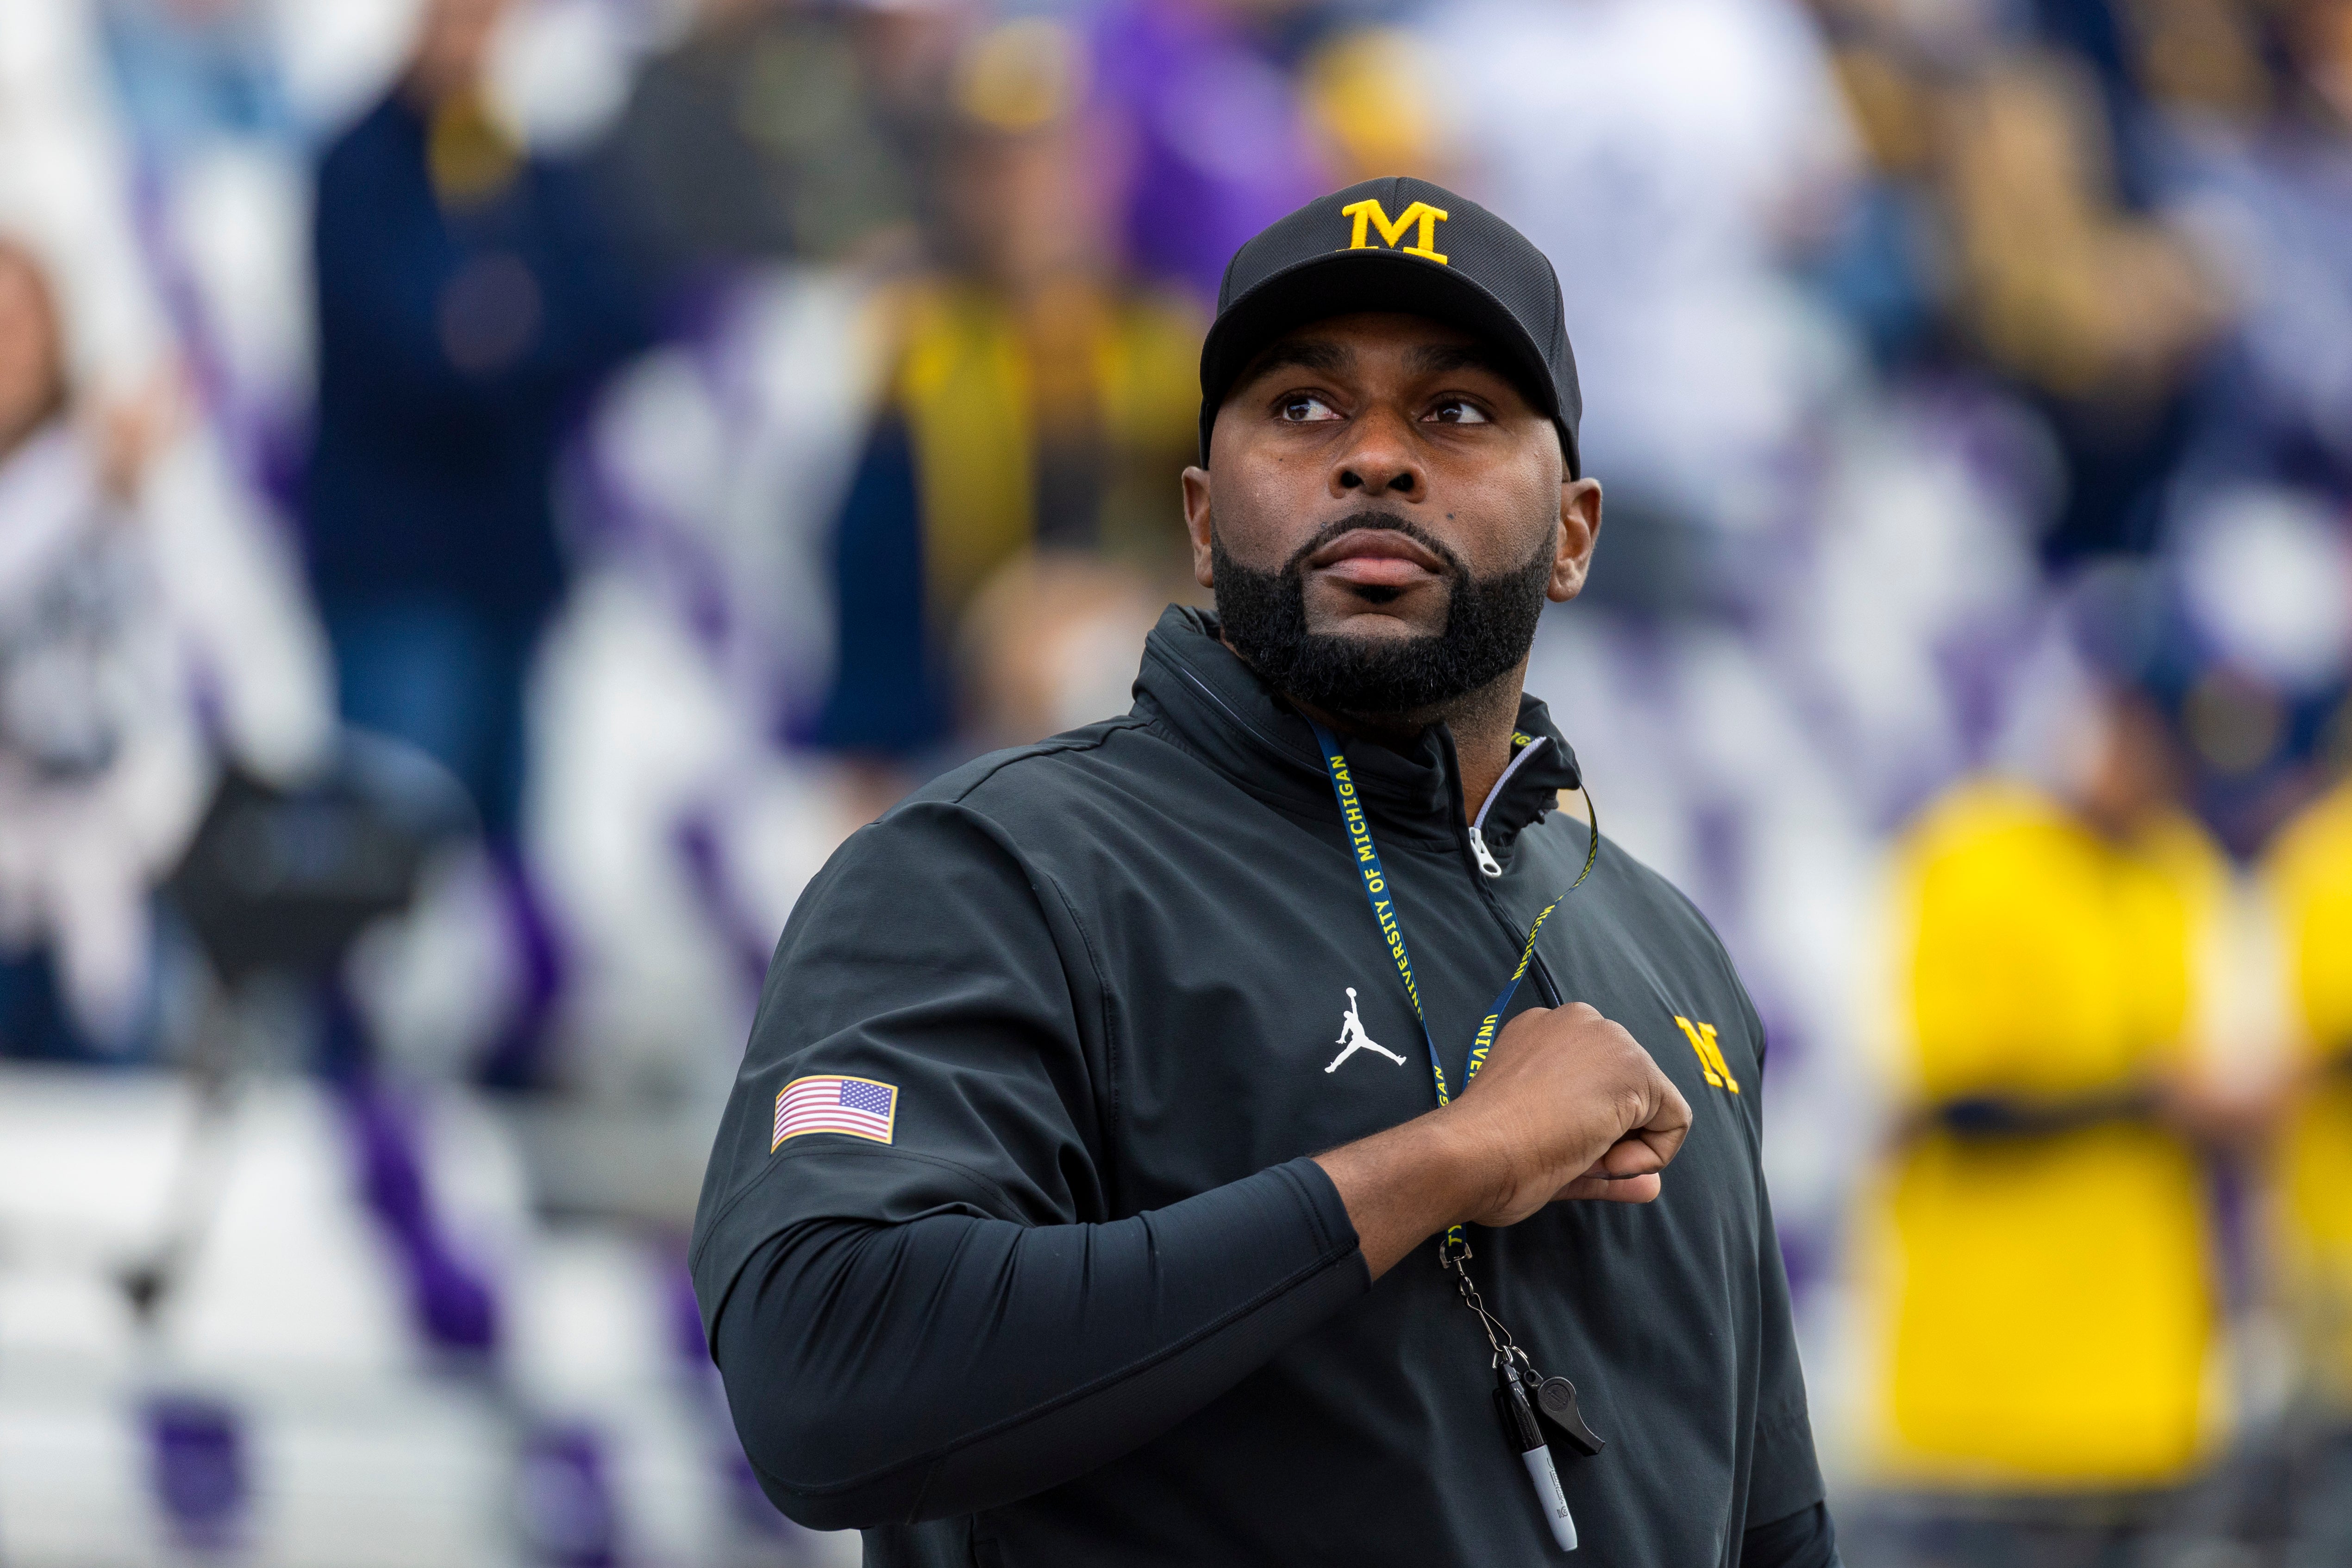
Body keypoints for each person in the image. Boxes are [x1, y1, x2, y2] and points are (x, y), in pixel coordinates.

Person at [692, 175, 1834, 1565]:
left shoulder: (1670, 954)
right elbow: (825, 1371)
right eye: (1303, 406)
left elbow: (1773, 1530)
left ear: (1578, 529)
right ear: (1197, 512)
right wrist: (1448, 1158)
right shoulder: (996, 870)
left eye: (1456, 410)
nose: (1374, 458)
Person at [1851, 675, 2237, 1563]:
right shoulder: (1973, 855)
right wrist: (2145, 1099)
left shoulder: (2177, 872)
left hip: (2143, 1393)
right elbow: (1954, 1107)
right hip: (1989, 1398)